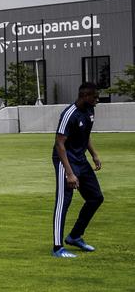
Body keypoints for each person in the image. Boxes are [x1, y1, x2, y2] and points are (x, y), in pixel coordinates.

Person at [51, 82, 104, 258]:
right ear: (84, 96)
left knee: (96, 197)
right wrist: (69, 173)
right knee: (63, 202)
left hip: (80, 160)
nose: (97, 100)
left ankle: (74, 236)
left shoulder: (90, 111)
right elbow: (59, 143)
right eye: (94, 97)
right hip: (65, 160)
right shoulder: (69, 114)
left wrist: (94, 154)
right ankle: (57, 248)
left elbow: (85, 135)